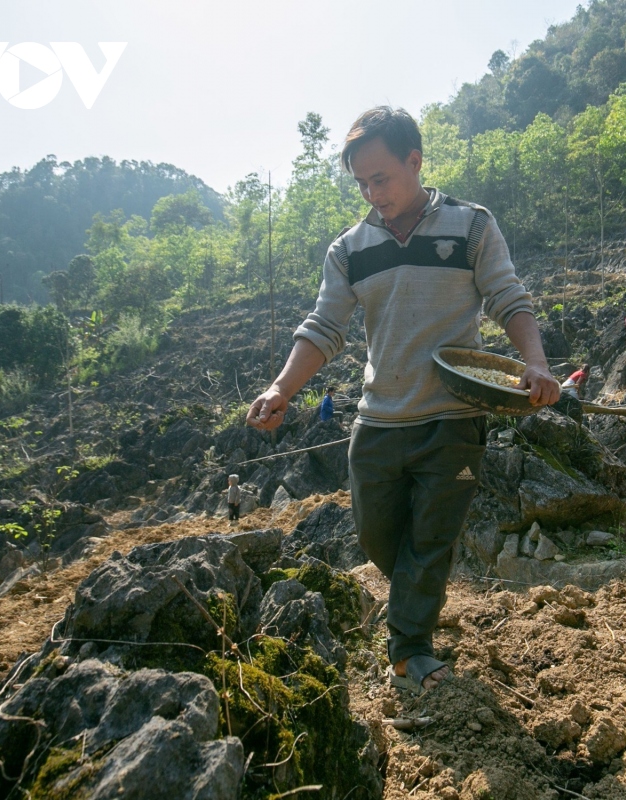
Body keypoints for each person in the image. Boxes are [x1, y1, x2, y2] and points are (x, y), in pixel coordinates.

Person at [246, 107, 560, 694]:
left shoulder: (471, 226)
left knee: (432, 537)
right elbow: (324, 327)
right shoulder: (349, 249)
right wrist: (281, 389)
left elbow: (508, 298)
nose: (371, 192)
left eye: (381, 178)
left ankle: (409, 649)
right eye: (361, 182)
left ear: (414, 162)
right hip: (379, 421)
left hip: (453, 420)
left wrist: (536, 364)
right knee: (378, 539)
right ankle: (417, 603)